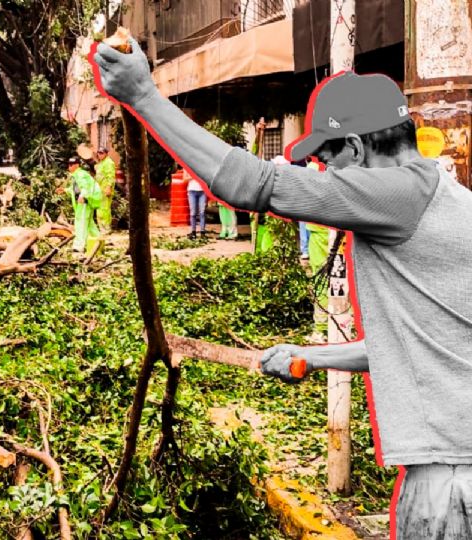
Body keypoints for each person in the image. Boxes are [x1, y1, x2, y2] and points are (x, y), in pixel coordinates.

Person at [94, 40, 472, 538]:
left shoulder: (401, 193)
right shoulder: (449, 199)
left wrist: (142, 96)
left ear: (355, 148)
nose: (323, 173)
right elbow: (420, 347)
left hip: (450, 482)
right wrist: (314, 357)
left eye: (327, 159)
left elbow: (248, 183)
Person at [59, 156, 102, 253]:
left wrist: (83, 196)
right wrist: (65, 190)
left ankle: (79, 246)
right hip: (84, 201)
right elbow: (75, 190)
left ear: (77, 165)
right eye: (69, 165)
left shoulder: (80, 174)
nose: (69, 167)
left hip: (84, 202)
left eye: (71, 165)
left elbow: (85, 187)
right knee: (90, 224)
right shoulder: (77, 175)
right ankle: (99, 241)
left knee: (80, 224)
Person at [94, 147, 117, 232]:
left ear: (106, 154)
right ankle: (102, 229)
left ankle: (106, 229)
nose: (99, 154)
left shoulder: (108, 163)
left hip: (105, 189)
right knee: (100, 209)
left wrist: (108, 187)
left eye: (101, 153)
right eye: (98, 153)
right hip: (100, 190)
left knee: (104, 209)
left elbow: (110, 176)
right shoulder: (101, 163)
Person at [186, 169, 206, 239]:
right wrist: (193, 176)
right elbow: (184, 179)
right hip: (192, 191)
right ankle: (193, 232)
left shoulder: (201, 166)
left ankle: (202, 232)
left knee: (202, 212)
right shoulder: (186, 166)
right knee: (193, 213)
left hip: (202, 191)